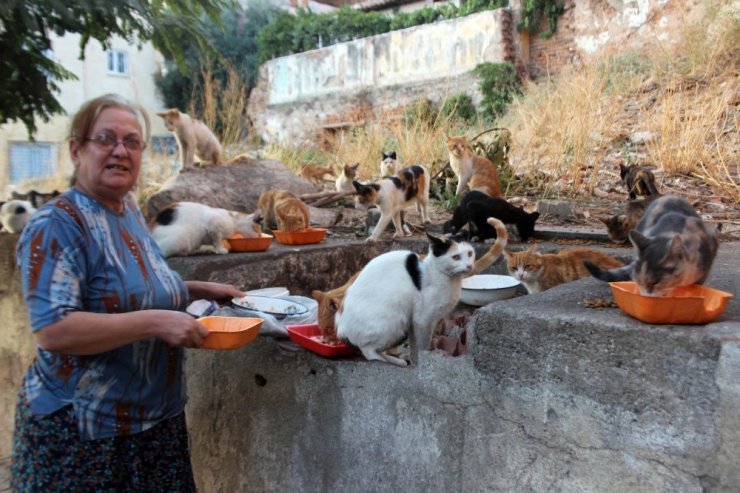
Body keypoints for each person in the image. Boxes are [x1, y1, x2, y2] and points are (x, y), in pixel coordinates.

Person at [11, 93, 244, 491]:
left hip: (154, 425)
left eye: (132, 141)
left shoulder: (127, 211)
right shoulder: (56, 225)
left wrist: (191, 289)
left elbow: (131, 289)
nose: (120, 151)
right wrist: (155, 322)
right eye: (105, 139)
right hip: (85, 435)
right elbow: (54, 330)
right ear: (76, 149)